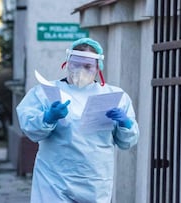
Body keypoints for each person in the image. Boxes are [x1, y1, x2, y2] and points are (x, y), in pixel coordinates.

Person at [16, 37, 139, 203]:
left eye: (87, 66)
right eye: (76, 64)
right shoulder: (45, 92)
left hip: (94, 180)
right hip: (53, 178)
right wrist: (48, 117)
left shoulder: (114, 96)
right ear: (67, 63)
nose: (80, 71)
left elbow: (126, 142)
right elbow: (29, 127)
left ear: (98, 68)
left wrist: (125, 124)